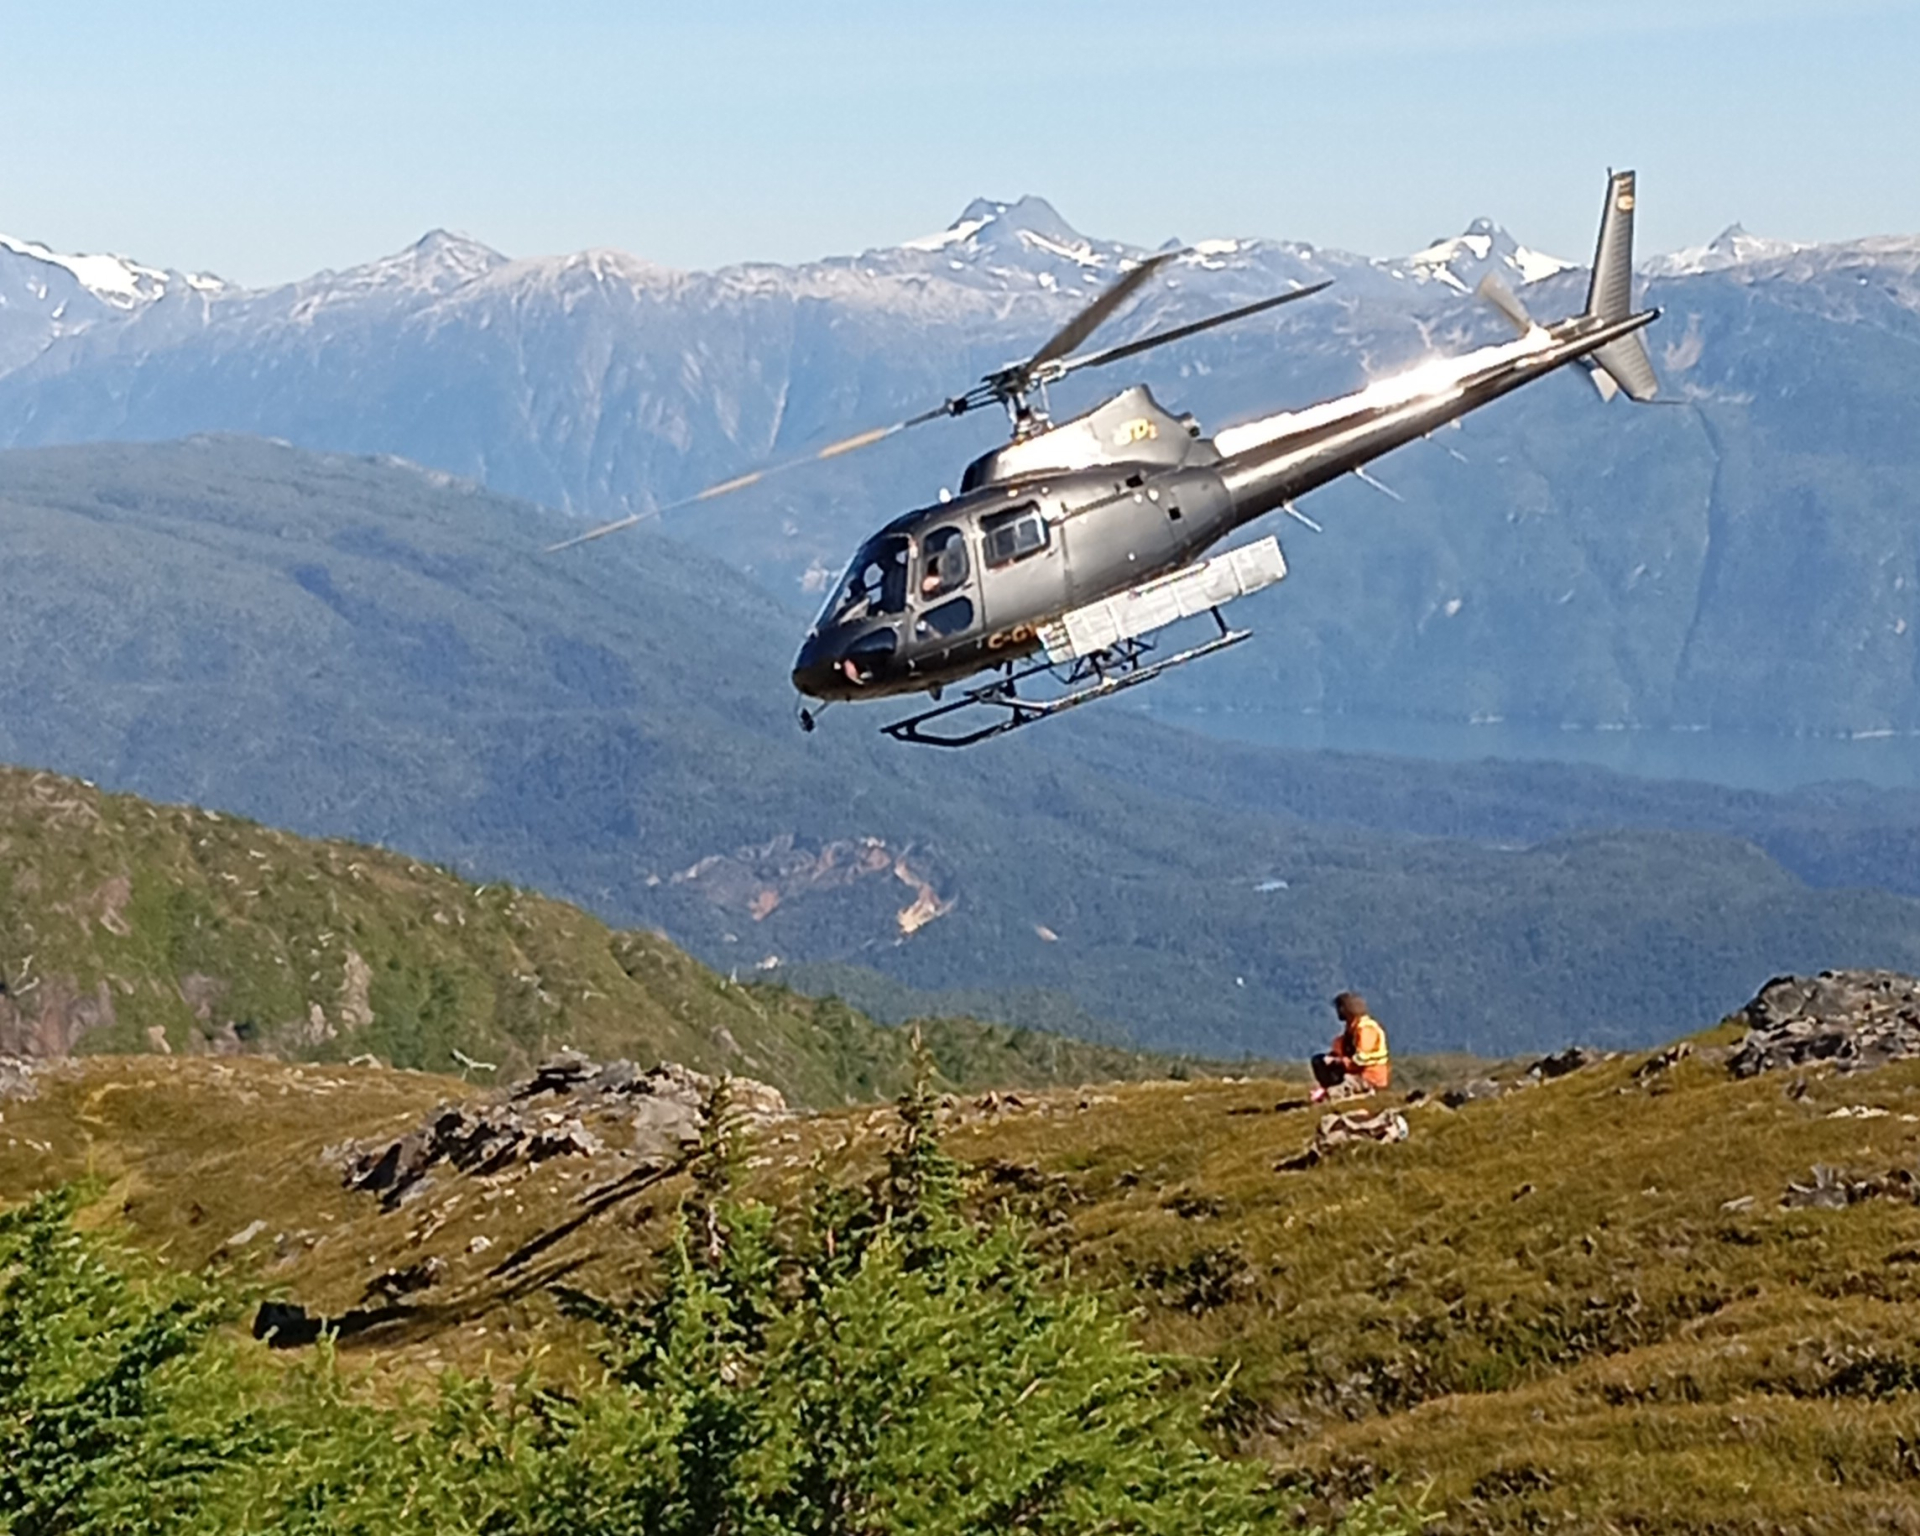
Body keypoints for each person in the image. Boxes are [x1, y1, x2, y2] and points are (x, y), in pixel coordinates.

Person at [1310, 992, 1390, 1103]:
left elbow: (1362, 1059)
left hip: (1368, 1076)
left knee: (1331, 1095)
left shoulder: (1366, 1029)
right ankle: (1330, 1088)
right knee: (1319, 1060)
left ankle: (1361, 1092)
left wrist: (1339, 1061)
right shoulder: (1352, 1028)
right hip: (1354, 1071)